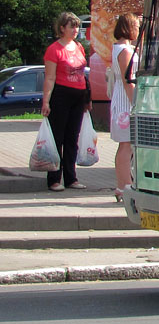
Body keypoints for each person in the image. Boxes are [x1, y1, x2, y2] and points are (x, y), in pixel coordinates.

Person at [41, 11, 90, 192]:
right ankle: (54, 179)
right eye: (72, 26)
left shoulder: (78, 47)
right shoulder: (54, 49)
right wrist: (46, 101)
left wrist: (87, 98)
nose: (76, 30)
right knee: (57, 138)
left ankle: (71, 178)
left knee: (72, 138)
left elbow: (83, 74)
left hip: (78, 96)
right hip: (60, 95)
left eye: (77, 26)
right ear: (62, 28)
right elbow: (50, 78)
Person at [109, 13, 139, 201]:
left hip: (121, 101)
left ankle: (123, 184)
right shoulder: (125, 51)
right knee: (126, 145)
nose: (138, 29)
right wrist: (135, 102)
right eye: (136, 26)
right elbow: (129, 80)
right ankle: (124, 185)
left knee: (125, 145)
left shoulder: (119, 48)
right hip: (126, 104)